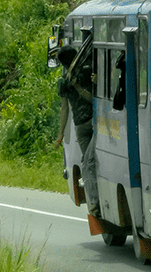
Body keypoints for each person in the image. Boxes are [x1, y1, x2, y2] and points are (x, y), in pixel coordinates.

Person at [54, 45, 100, 217]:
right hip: (92, 122)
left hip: (81, 125)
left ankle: (94, 203)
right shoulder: (83, 72)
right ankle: (96, 201)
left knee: (87, 163)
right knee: (90, 162)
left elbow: (64, 110)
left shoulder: (65, 81)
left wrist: (60, 135)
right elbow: (94, 99)